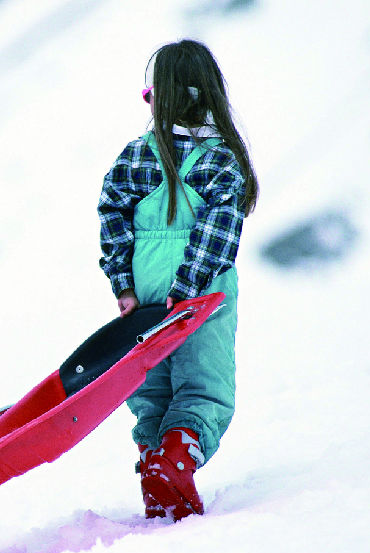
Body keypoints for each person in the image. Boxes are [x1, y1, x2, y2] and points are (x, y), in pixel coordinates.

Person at [97, 39, 258, 521]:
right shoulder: (221, 160)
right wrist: (189, 289)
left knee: (154, 387)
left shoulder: (135, 156)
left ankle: (154, 466)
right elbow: (218, 230)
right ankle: (175, 460)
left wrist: (124, 285)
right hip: (202, 296)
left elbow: (112, 217)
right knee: (204, 387)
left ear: (157, 97)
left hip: (145, 298)